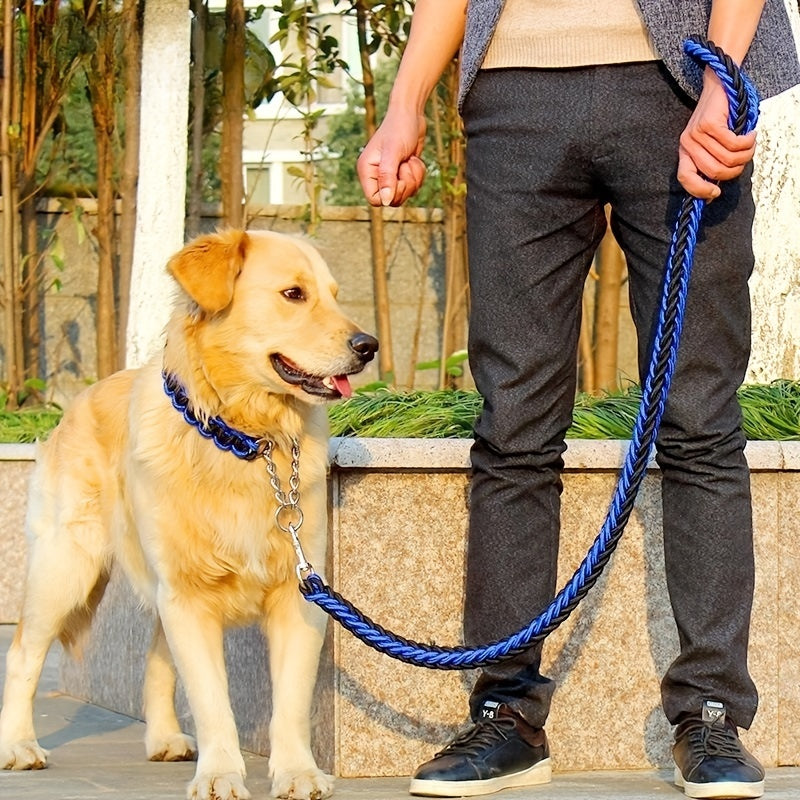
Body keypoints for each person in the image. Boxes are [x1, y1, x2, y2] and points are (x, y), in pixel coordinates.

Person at [357, 1, 800, 798]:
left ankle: (711, 713)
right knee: (514, 420)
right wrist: (404, 104)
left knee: (697, 414)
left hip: (678, 83)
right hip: (512, 91)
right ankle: (507, 713)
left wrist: (721, 77)